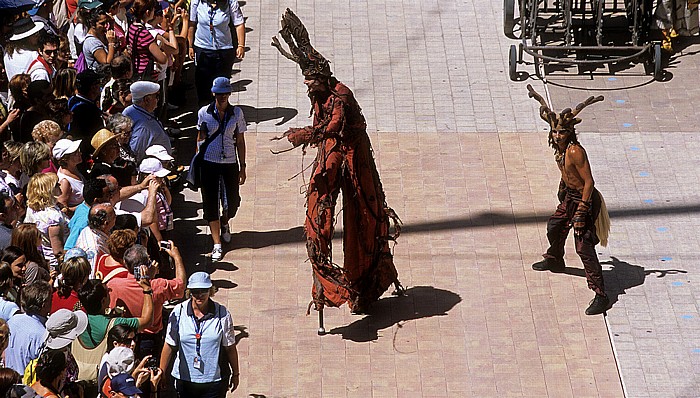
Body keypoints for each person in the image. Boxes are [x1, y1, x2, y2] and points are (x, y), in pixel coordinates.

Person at [271, 10, 402, 314]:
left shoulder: (339, 96)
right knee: (318, 214)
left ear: (322, 79)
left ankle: (365, 284)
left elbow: (332, 127)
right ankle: (328, 281)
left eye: (310, 80)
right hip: (333, 151)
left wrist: (304, 135)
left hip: (355, 156)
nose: (306, 85)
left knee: (366, 217)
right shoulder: (319, 94)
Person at [527, 84, 611, 316]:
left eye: (562, 132)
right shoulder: (559, 149)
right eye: (555, 132)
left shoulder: (575, 151)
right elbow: (567, 176)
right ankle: (555, 259)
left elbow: (589, 182)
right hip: (569, 197)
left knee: (583, 246)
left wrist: (583, 212)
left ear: (570, 132)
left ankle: (601, 294)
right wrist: (563, 189)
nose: (557, 135)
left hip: (584, 200)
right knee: (555, 226)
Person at [159, 272, 239, 397]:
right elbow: (169, 344)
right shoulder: (179, 311)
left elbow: (229, 347)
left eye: (204, 290)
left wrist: (235, 374)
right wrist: (162, 372)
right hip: (185, 379)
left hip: (213, 381)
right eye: (195, 291)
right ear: (190, 292)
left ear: (210, 291)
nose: (200, 295)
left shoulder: (222, 313)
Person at [195, 77, 246, 261]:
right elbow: (200, 137)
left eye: (226, 93)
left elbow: (240, 141)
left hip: (230, 163)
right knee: (210, 203)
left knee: (232, 201)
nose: (223, 97)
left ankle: (225, 222)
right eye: (219, 93)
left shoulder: (237, 113)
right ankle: (217, 243)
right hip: (209, 162)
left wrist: (243, 166)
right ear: (213, 94)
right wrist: (198, 162)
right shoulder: (204, 113)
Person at [109, 243, 185, 356]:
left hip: (123, 337)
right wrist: (177, 257)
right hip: (151, 339)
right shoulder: (159, 285)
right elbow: (180, 287)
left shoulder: (113, 285)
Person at [187, 0, 245, 104]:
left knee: (222, 84)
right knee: (203, 84)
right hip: (203, 49)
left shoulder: (231, 3)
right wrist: (190, 46)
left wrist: (241, 45)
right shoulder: (196, 2)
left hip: (224, 50)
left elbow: (239, 24)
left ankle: (221, 111)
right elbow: (191, 24)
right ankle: (205, 113)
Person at [77, 278, 153, 349]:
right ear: (103, 301)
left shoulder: (78, 320)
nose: (110, 292)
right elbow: (147, 321)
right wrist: (147, 290)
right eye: (107, 291)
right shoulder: (115, 323)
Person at [5, 281, 52, 374]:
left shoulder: (13, 321)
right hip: (27, 384)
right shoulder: (42, 334)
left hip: (8, 378)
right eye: (51, 299)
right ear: (44, 304)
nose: (52, 302)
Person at [24, 173, 69, 269]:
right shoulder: (53, 217)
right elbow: (58, 252)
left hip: (41, 259)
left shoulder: (31, 209)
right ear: (48, 190)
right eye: (56, 184)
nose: (60, 186)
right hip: (55, 265)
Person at [123, 81, 172, 163]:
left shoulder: (131, 110)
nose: (158, 99)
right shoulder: (144, 126)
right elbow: (137, 155)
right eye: (156, 96)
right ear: (146, 100)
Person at [3, 18, 44, 107]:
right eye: (35, 35)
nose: (38, 36)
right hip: (29, 100)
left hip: (13, 99)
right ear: (27, 38)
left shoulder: (7, 52)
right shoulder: (33, 55)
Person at [67, 69, 105, 161]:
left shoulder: (72, 99)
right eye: (98, 84)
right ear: (93, 87)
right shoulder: (86, 110)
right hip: (85, 153)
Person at [128, 0, 169, 81]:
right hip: (146, 74)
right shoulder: (144, 34)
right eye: (153, 10)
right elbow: (162, 59)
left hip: (136, 70)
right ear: (147, 12)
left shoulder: (132, 27)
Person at [75, 202, 116, 275]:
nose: (116, 217)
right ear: (106, 223)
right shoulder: (94, 248)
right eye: (114, 216)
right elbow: (92, 274)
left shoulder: (91, 229)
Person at [54, 139, 85, 215]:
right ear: (66, 159)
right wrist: (85, 206)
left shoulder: (75, 169)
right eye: (75, 153)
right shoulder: (64, 182)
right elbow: (63, 210)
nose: (79, 153)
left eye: (78, 151)